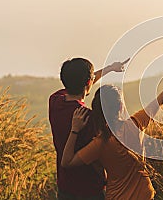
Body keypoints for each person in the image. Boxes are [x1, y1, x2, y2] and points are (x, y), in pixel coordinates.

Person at [61, 66, 163, 200]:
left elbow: (66, 162)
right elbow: (161, 98)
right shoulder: (134, 124)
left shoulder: (99, 143)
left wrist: (74, 130)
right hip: (144, 195)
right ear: (121, 106)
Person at [49, 57, 129, 200]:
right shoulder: (91, 118)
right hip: (90, 188)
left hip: (65, 186)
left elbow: (81, 84)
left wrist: (109, 68)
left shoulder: (55, 101)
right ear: (88, 82)